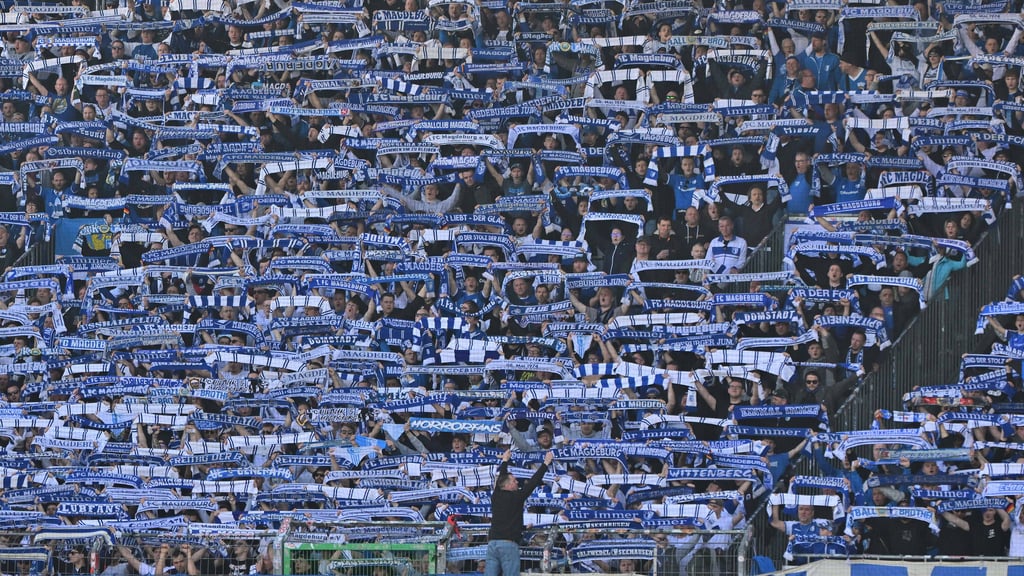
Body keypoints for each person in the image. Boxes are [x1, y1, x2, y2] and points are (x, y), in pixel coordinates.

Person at [485, 449, 554, 576]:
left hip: (492, 544)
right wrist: (545, 463)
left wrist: (505, 460)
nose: (517, 482)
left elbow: (501, 477)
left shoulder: (496, 495)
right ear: (507, 485)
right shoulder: (517, 496)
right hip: (508, 545)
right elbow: (533, 482)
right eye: (514, 481)